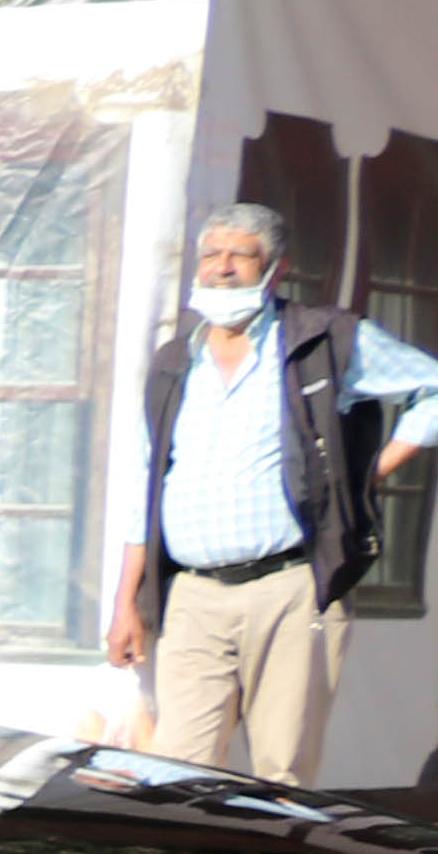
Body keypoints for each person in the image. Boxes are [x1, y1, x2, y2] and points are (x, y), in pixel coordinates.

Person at [110, 199, 438, 782]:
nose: (223, 267)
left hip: (289, 587)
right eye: (212, 255)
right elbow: (144, 487)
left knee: (280, 774)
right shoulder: (175, 363)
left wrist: (369, 472)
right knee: (175, 776)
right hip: (194, 596)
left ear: (276, 268)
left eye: (241, 255)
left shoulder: (322, 340)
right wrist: (125, 604)